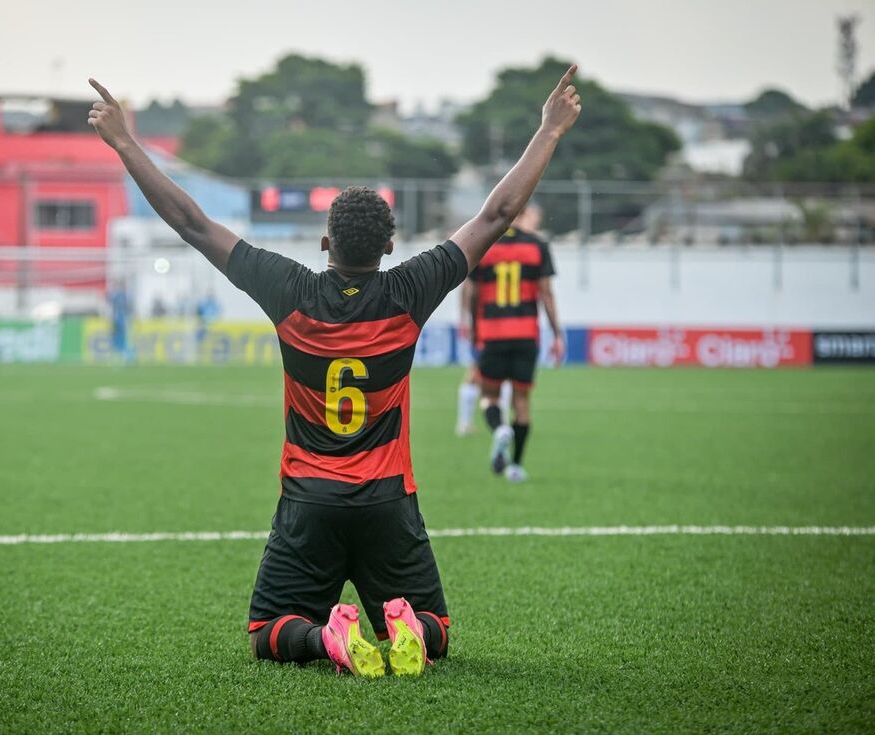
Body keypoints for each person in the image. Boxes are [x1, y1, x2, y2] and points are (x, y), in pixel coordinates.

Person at [87, 67, 580, 677]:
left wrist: (126, 143)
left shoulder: (287, 290)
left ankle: (326, 639)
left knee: (268, 632)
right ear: (389, 247)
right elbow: (497, 212)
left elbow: (192, 223)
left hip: (308, 501)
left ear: (325, 243)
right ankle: (401, 626)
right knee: (438, 633)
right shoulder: (409, 290)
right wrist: (549, 131)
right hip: (387, 501)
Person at [468, 204, 564, 482]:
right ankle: (515, 466)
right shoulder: (537, 246)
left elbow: (473, 294)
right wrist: (557, 335)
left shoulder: (486, 247)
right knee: (521, 403)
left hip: (493, 333)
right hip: (526, 335)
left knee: (489, 397)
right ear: (524, 215)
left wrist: (475, 329)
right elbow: (547, 294)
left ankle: (499, 429)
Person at [454, 203, 544, 437]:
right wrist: (466, 320)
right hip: (496, 327)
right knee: (479, 376)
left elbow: (469, 287)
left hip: (490, 329)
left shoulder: (499, 243)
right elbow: (470, 288)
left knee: (485, 377)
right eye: (535, 217)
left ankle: (487, 424)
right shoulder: (519, 244)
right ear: (524, 215)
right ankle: (467, 423)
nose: (537, 223)